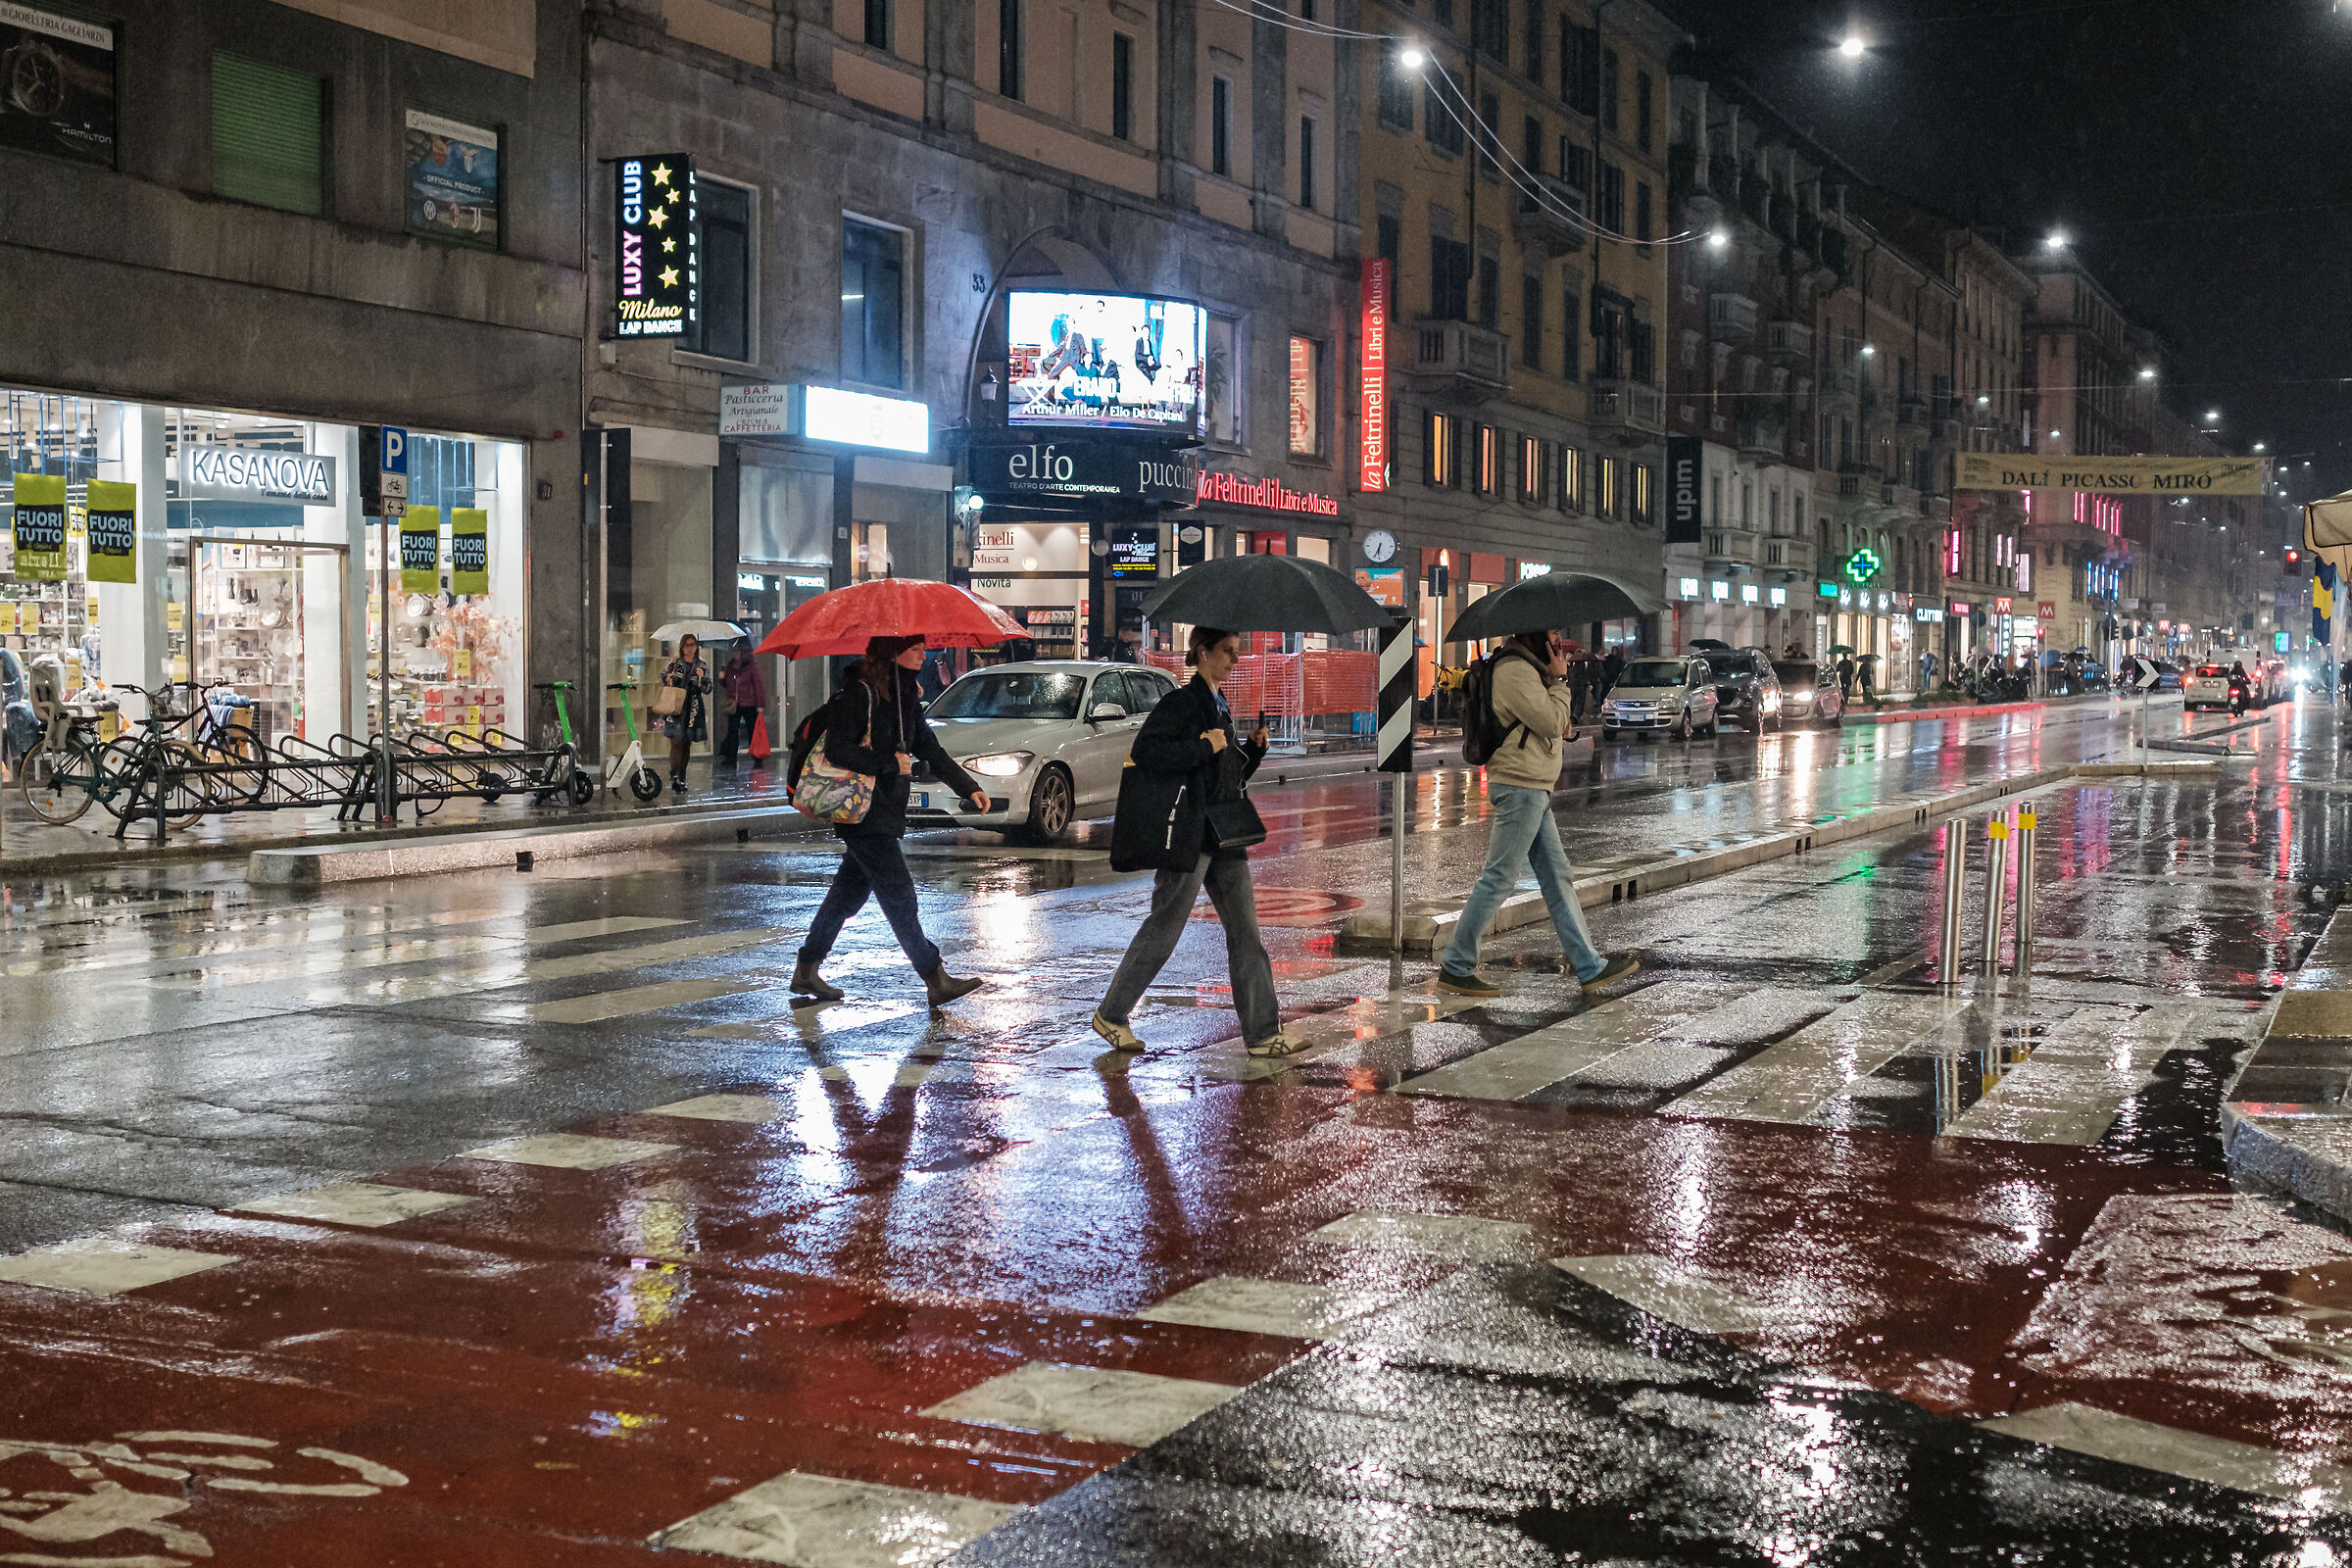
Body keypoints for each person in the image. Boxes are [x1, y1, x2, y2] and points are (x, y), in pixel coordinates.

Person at [1092, 625, 1306, 1057]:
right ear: (1202, 652)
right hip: (1190, 834)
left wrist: (1253, 750)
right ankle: (1112, 1014)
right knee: (1164, 929)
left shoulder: (1218, 705)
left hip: (1225, 833)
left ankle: (1264, 1033)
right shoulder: (1183, 703)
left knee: (1246, 933)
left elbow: (1226, 778)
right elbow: (1148, 753)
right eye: (1227, 652)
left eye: (1237, 652)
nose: (1234, 660)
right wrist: (1202, 746)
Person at [1436, 629, 1641, 998]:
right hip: (1521, 786)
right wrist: (1561, 680)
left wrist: (1554, 682)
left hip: (1534, 787)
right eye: (1553, 634)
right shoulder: (1514, 671)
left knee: (1557, 877)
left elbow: (1556, 723)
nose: (1559, 640)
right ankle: (1456, 964)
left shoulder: (1530, 671)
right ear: (1536, 639)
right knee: (1498, 878)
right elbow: (1550, 723)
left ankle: (1589, 966)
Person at [791, 635, 989, 1008]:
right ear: (891, 653)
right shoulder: (860, 693)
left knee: (845, 897)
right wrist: (887, 764)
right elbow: (837, 749)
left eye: (921, 648)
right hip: (861, 811)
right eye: (914, 649)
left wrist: (969, 787)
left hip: (882, 811)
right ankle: (934, 977)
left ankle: (806, 969)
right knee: (900, 897)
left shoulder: (905, 698)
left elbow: (929, 748)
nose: (923, 654)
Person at [659, 635, 713, 794]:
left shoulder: (702, 665)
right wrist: (668, 678)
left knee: (686, 743)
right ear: (681, 647)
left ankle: (682, 776)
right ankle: (674, 775)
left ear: (696, 647)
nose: (689, 648)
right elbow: (663, 679)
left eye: (692, 645)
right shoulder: (674, 664)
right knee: (676, 741)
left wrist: (702, 678)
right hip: (675, 706)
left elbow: (708, 689)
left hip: (693, 708)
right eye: (686, 645)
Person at [716, 645, 765, 768]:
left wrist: (760, 704)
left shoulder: (751, 666)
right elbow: (727, 684)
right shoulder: (730, 665)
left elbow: (758, 685)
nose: (735, 654)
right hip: (734, 704)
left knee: (752, 732)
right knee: (732, 732)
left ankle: (757, 758)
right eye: (734, 651)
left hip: (749, 703)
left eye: (738, 651)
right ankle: (731, 758)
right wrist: (722, 679)